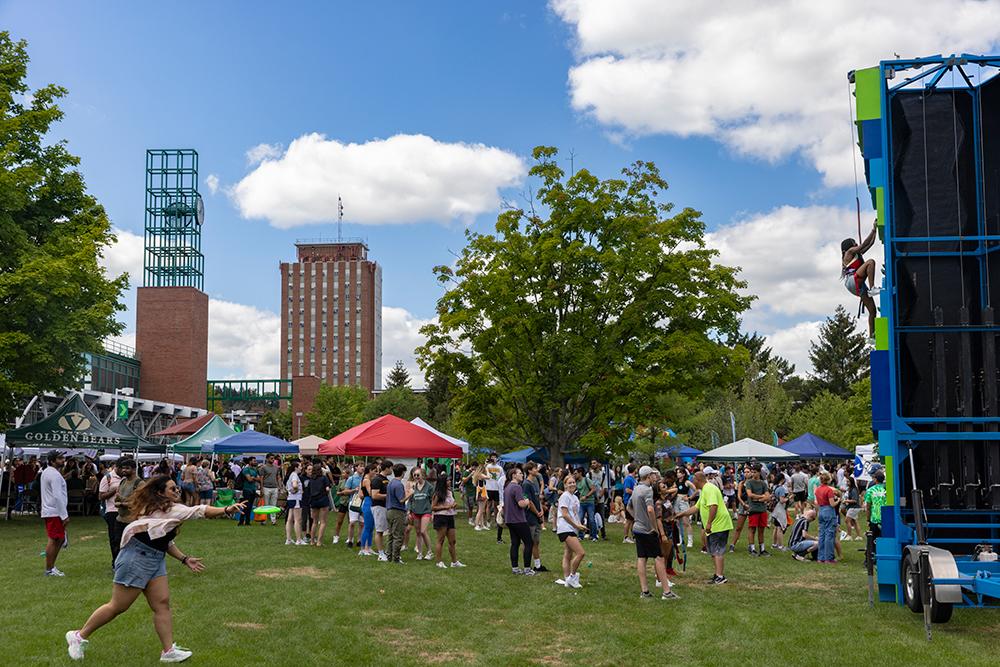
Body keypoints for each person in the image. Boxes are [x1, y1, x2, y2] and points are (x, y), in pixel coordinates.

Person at [65, 475, 247, 663]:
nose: (177, 491)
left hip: (154, 559)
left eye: (177, 488)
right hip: (136, 558)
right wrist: (226, 508)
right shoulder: (169, 510)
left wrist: (184, 559)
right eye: (172, 489)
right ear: (160, 493)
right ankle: (78, 636)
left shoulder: (160, 510)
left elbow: (163, 540)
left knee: (162, 604)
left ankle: (168, 652)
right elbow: (199, 510)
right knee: (118, 606)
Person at [628, 467, 677, 600]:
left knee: (642, 558)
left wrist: (637, 518)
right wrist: (654, 527)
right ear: (649, 476)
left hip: (637, 529)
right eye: (653, 475)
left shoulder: (636, 488)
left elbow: (628, 507)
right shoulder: (648, 490)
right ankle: (666, 592)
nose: (655, 477)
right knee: (659, 558)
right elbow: (650, 510)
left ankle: (645, 591)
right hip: (647, 530)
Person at [677, 471, 733, 585]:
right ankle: (718, 574)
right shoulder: (703, 491)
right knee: (713, 550)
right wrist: (682, 514)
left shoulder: (709, 489)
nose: (693, 482)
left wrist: (708, 523)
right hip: (715, 525)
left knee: (717, 551)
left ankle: (720, 576)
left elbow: (714, 506)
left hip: (719, 525)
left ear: (698, 479)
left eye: (694, 480)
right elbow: (696, 508)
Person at [842, 220, 881, 338]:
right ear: (850, 246)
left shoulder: (857, 254)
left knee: (873, 310)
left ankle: (872, 336)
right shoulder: (848, 253)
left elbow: (870, 244)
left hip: (858, 285)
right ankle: (872, 288)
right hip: (852, 280)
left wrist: (876, 229)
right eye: (854, 243)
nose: (855, 245)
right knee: (870, 262)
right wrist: (873, 230)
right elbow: (863, 245)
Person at [555, 473, 587, 589]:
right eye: (569, 483)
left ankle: (567, 579)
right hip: (565, 528)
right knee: (581, 553)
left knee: (568, 554)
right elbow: (564, 515)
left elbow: (574, 514)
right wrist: (576, 526)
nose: (572, 484)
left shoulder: (574, 497)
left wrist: (580, 525)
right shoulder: (565, 496)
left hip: (572, 528)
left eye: (573, 482)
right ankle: (572, 577)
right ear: (565, 485)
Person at [41, 451, 69, 576]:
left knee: (59, 539)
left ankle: (51, 567)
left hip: (51, 510)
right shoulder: (54, 475)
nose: (63, 460)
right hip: (55, 511)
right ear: (52, 461)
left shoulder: (48, 472)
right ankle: (49, 569)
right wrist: (64, 515)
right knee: (55, 539)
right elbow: (57, 496)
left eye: (63, 458)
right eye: (60, 458)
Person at [502, 468, 535, 575]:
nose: (522, 475)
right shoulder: (517, 487)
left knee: (515, 543)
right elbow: (521, 503)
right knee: (529, 543)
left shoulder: (507, 487)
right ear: (514, 475)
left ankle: (515, 568)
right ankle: (527, 569)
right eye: (520, 473)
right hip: (518, 520)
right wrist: (527, 501)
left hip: (509, 520)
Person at [431, 475, 465, 568]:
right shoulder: (438, 494)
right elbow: (433, 507)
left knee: (452, 541)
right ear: (443, 482)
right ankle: (439, 562)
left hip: (450, 517)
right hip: (441, 517)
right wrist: (445, 507)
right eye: (448, 480)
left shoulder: (450, 492)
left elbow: (451, 503)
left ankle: (454, 562)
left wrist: (454, 504)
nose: (450, 482)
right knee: (440, 540)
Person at [98, 459, 126, 569]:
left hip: (126, 511)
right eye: (122, 468)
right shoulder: (108, 478)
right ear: (116, 467)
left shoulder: (127, 478)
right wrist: (114, 491)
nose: (124, 471)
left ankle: (124, 562)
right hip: (112, 511)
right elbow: (101, 496)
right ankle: (116, 563)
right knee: (115, 539)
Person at [522, 462, 547, 572]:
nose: (537, 470)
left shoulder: (535, 482)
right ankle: (527, 565)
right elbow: (529, 502)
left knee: (536, 542)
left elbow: (537, 499)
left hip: (537, 516)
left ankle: (538, 565)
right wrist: (537, 512)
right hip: (530, 517)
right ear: (529, 471)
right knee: (529, 542)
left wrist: (541, 510)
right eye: (535, 468)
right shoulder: (526, 484)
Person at [407, 466, 434, 560]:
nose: (416, 476)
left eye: (418, 475)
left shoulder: (429, 487)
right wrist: (409, 511)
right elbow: (410, 500)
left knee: (423, 531)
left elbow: (433, 500)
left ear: (422, 475)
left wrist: (433, 512)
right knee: (418, 532)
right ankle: (420, 553)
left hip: (426, 511)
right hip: (415, 512)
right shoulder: (414, 487)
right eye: (414, 475)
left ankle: (430, 552)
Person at [814, 472, 841, 563]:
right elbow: (832, 504)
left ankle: (820, 557)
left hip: (821, 510)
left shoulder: (817, 490)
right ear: (828, 480)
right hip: (829, 511)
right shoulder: (829, 490)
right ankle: (829, 557)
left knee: (822, 534)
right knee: (829, 535)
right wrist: (838, 500)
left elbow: (817, 503)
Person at [744, 468, 771, 556]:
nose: (753, 473)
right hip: (753, 509)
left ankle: (762, 549)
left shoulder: (763, 483)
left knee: (761, 530)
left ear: (759, 472)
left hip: (762, 509)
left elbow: (768, 496)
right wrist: (762, 497)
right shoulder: (749, 482)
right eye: (752, 472)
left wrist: (758, 499)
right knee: (752, 529)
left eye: (754, 472)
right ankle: (752, 549)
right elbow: (750, 494)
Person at [385, 463, 409, 563]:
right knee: (398, 535)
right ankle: (396, 558)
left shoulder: (391, 482)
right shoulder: (398, 484)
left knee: (390, 535)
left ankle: (389, 556)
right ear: (403, 472)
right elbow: (401, 500)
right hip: (397, 511)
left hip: (389, 511)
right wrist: (410, 494)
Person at [371, 461, 391, 560]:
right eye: (391, 468)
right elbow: (374, 495)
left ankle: (386, 551)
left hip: (385, 507)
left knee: (385, 530)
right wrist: (389, 496)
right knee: (379, 531)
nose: (391, 470)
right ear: (386, 468)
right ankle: (380, 553)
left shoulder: (385, 479)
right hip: (378, 507)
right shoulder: (377, 479)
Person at [308, 463, 331, 546]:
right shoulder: (324, 478)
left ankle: (312, 541)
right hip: (323, 500)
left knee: (314, 522)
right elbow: (327, 489)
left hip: (313, 500)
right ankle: (319, 541)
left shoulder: (311, 479)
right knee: (323, 522)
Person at [341, 463, 364, 547]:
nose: (363, 467)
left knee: (362, 523)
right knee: (352, 522)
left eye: (363, 466)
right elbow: (345, 491)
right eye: (361, 466)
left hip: (363, 502)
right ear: (356, 468)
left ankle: (359, 540)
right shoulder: (351, 478)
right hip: (353, 502)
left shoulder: (365, 478)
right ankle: (350, 540)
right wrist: (355, 490)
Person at [485, 455, 505, 544]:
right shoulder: (488, 466)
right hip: (489, 488)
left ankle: (497, 521)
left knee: (497, 506)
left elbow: (502, 478)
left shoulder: (500, 468)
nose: (494, 459)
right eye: (492, 457)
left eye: (495, 457)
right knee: (488, 505)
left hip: (497, 489)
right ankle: (488, 521)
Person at [574, 467, 598, 542]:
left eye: (576, 473)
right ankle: (581, 536)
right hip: (581, 503)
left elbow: (594, 489)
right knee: (580, 519)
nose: (575, 475)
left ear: (580, 473)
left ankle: (594, 536)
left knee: (591, 519)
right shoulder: (576, 482)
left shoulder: (587, 480)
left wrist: (586, 496)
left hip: (590, 502)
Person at [284, 461, 304, 545]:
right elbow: (295, 485)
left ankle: (288, 539)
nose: (301, 468)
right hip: (296, 499)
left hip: (290, 499)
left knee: (289, 519)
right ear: (296, 467)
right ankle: (299, 540)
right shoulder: (294, 475)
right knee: (297, 520)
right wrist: (296, 490)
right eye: (300, 466)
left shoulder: (291, 475)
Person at [863, 470, 887, 539]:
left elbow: (868, 507)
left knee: (874, 540)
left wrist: (868, 520)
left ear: (875, 479)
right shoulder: (887, 489)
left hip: (874, 519)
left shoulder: (870, 490)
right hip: (886, 518)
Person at [358, 465, 376, 557]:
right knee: (367, 527)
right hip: (368, 503)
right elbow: (370, 493)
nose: (375, 472)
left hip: (369, 502)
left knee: (371, 527)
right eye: (374, 471)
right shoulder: (367, 480)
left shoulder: (365, 479)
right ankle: (363, 548)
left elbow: (361, 494)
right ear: (370, 471)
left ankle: (368, 547)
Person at [770, 472, 789, 551]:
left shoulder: (774, 487)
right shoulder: (781, 488)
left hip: (774, 510)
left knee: (776, 527)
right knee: (780, 528)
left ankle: (774, 544)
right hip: (780, 510)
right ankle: (780, 546)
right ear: (782, 479)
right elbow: (782, 500)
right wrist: (789, 498)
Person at [237, 457, 260, 526]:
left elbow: (259, 479)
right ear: (250, 462)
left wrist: (253, 478)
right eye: (254, 461)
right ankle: (241, 521)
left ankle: (247, 521)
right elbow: (249, 479)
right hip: (246, 490)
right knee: (245, 506)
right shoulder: (246, 469)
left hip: (253, 490)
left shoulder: (255, 470)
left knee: (250, 506)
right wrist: (254, 478)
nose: (255, 462)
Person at [259, 455, 281, 525]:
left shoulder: (276, 467)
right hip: (266, 487)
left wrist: (279, 486)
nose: (273, 459)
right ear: (267, 459)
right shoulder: (263, 467)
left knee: (273, 505)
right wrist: (261, 488)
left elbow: (278, 477)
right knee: (266, 504)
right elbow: (261, 478)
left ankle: (273, 521)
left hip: (275, 487)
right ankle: (264, 520)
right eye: (271, 458)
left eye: (273, 458)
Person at [843, 475, 862, 540]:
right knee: (854, 521)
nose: (847, 483)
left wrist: (846, 501)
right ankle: (859, 536)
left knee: (847, 520)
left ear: (851, 482)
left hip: (854, 507)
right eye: (846, 481)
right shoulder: (850, 489)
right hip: (853, 507)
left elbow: (855, 500)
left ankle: (849, 536)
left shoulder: (853, 490)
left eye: (848, 482)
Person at [622, 464, 637, 544]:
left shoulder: (633, 479)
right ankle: (625, 537)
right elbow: (627, 490)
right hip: (628, 501)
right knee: (629, 520)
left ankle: (634, 536)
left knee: (633, 520)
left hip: (633, 501)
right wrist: (636, 492)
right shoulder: (628, 479)